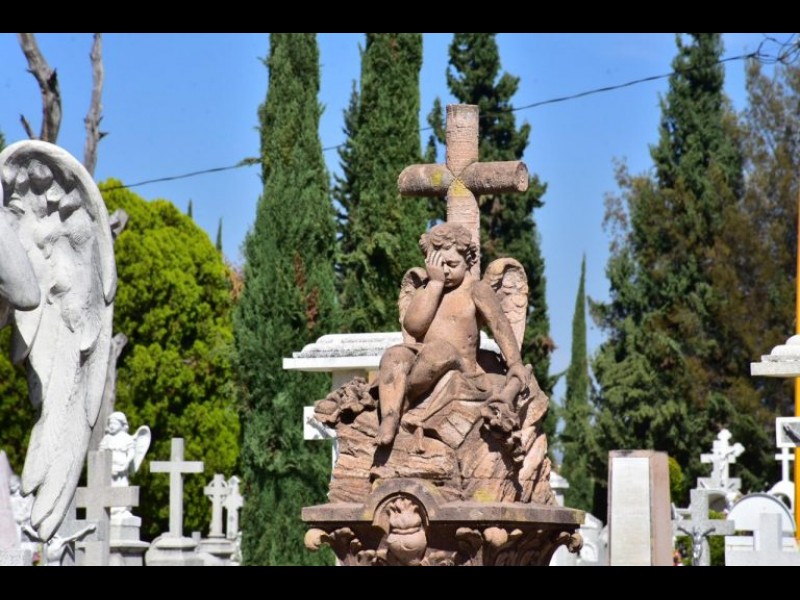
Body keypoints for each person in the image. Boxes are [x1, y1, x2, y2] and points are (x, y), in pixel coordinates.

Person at [376, 223, 530, 446]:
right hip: (423, 354)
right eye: (438, 265)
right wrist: (434, 284)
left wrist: (514, 362)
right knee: (393, 355)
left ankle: (404, 401)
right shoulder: (427, 289)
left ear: (468, 260)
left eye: (451, 264)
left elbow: (499, 325)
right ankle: (390, 416)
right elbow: (413, 327)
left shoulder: (476, 290)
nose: (445, 271)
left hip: (459, 364)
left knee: (441, 350)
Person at [99, 412, 135, 487]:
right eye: (110, 424)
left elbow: (131, 451)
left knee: (121, 485)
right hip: (108, 468)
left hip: (121, 467)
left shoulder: (127, 438)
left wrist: (127, 462)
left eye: (115, 424)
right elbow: (100, 452)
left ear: (122, 425)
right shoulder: (106, 438)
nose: (111, 426)